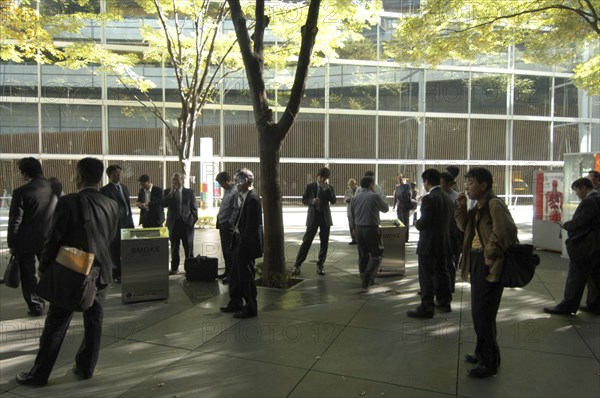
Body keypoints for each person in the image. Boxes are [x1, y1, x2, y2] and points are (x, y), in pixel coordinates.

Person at [15, 157, 119, 386]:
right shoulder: (111, 203)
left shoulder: (69, 202)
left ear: (79, 177)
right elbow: (110, 238)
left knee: (56, 324)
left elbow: (54, 239)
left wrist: (43, 266)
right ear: (100, 177)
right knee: (94, 322)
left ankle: (39, 374)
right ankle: (86, 367)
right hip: (101, 272)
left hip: (73, 272)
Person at [455, 167, 518, 378]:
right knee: (480, 313)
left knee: (484, 314)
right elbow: (466, 228)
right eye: (466, 182)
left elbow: (506, 232)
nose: (467, 186)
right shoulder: (478, 206)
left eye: (471, 182)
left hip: (487, 263)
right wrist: (462, 208)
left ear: (484, 185)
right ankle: (483, 352)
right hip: (477, 261)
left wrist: (490, 253)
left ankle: (489, 362)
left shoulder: (494, 204)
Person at [8, 157, 57, 317]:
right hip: (50, 240)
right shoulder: (55, 189)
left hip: (26, 242)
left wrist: (12, 243)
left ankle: (36, 307)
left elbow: (15, 220)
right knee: (50, 272)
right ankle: (56, 302)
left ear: (24, 173)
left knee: (28, 275)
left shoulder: (21, 192)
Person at [544, 177, 600, 315]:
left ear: (584, 188)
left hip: (586, 246)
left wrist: (566, 225)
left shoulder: (589, 201)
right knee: (595, 277)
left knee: (576, 277)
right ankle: (595, 305)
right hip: (597, 245)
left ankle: (568, 306)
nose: (577, 194)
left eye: (577, 191)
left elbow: (580, 222)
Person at [408, 169, 454, 319]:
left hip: (429, 244)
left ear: (427, 181)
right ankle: (444, 302)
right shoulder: (446, 197)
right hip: (443, 243)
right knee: (442, 272)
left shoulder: (429, 198)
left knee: (426, 276)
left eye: (424, 182)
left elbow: (424, 222)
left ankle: (426, 307)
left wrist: (416, 223)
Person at [219, 169, 263, 319]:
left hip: (246, 244)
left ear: (246, 181)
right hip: (239, 240)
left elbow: (251, 227)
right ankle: (236, 302)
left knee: (246, 276)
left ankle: (251, 307)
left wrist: (242, 245)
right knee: (236, 275)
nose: (235, 183)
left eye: (238, 180)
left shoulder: (253, 199)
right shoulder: (244, 196)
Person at [292, 167, 336, 276]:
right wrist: (312, 201)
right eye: (321, 177)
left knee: (324, 243)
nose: (322, 179)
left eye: (325, 178)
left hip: (325, 218)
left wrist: (327, 190)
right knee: (306, 241)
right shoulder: (310, 186)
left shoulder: (329, 187)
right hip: (313, 217)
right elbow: (304, 200)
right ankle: (297, 264)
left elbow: (333, 201)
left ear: (327, 178)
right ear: (318, 175)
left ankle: (320, 265)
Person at [350, 175, 390, 289]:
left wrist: (353, 228)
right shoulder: (374, 196)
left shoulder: (354, 198)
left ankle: (363, 275)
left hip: (358, 229)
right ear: (371, 184)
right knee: (376, 254)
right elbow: (385, 209)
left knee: (363, 254)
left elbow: (352, 215)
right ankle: (368, 275)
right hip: (371, 229)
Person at [99, 165, 134, 282]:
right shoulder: (105, 190)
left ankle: (126, 272)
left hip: (127, 224)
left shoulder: (124, 187)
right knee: (115, 252)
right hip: (115, 226)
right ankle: (117, 275)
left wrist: (131, 223)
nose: (118, 175)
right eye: (115, 173)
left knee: (127, 250)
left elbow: (127, 206)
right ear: (109, 175)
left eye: (119, 172)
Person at [162, 173, 198, 275]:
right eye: (173, 180)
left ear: (182, 180)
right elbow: (163, 204)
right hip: (173, 224)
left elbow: (194, 208)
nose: (175, 182)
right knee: (174, 247)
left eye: (177, 180)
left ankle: (190, 269)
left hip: (186, 224)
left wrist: (192, 220)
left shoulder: (189, 192)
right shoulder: (168, 192)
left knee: (188, 247)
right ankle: (174, 268)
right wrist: (171, 192)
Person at [215, 171, 240, 283]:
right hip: (222, 224)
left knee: (230, 250)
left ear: (228, 181)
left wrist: (230, 222)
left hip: (228, 225)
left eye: (222, 183)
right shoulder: (227, 191)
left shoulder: (234, 192)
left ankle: (231, 274)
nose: (221, 186)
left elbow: (236, 208)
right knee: (225, 250)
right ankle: (227, 271)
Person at [440, 171, 463, 293]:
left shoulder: (456, 197)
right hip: (442, 233)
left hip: (452, 233)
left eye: (443, 183)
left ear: (450, 184)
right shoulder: (439, 195)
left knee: (450, 261)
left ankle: (450, 286)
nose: (441, 185)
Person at [392, 173, 413, 242]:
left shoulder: (407, 186)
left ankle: (405, 238)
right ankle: (401, 236)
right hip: (399, 206)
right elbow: (395, 196)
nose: (400, 180)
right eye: (399, 179)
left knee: (405, 222)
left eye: (400, 178)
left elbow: (409, 195)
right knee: (400, 221)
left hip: (405, 206)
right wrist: (394, 205)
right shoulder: (397, 187)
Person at [344, 178, 358, 245]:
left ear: (355, 184)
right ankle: (353, 239)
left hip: (357, 211)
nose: (351, 186)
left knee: (358, 225)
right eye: (349, 185)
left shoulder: (359, 190)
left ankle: (358, 239)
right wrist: (347, 199)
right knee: (351, 225)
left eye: (352, 184)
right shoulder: (347, 191)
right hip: (350, 211)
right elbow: (345, 199)